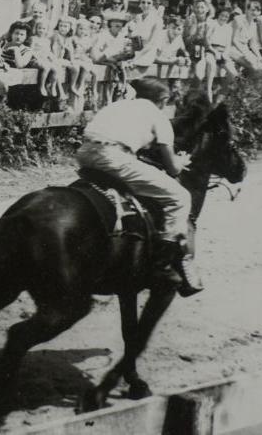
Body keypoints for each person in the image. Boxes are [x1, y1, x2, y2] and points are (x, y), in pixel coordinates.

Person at [75, 76, 202, 296]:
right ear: (163, 99)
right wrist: (181, 162)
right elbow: (172, 168)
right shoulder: (157, 115)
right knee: (180, 197)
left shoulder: (117, 105)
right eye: (166, 100)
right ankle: (163, 263)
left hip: (85, 153)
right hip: (114, 157)